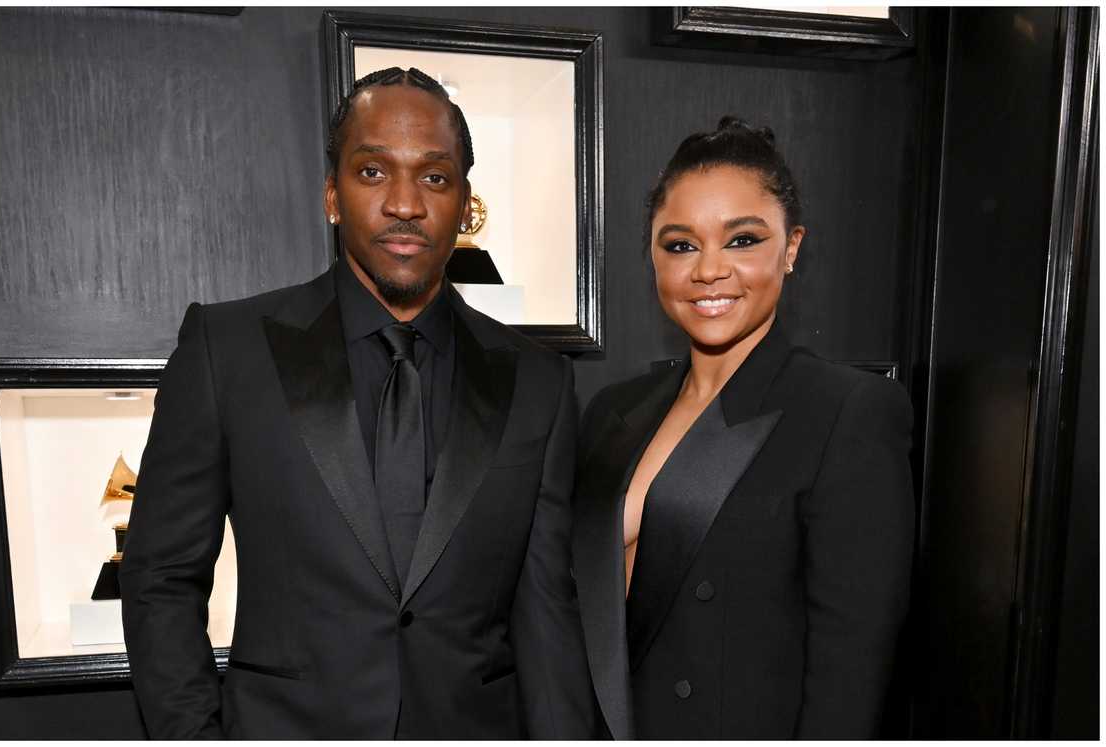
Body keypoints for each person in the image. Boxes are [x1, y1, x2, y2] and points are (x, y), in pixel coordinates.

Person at [120, 66, 595, 739]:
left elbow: (546, 614)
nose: (405, 203)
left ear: (464, 203)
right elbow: (160, 577)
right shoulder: (227, 351)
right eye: (374, 172)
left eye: (434, 177)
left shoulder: (539, 383)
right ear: (332, 194)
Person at [571, 117, 914, 739]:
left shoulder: (848, 411)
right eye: (679, 245)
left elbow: (850, 676)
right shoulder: (611, 411)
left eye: (742, 240)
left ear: (792, 247)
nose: (708, 270)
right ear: (651, 255)